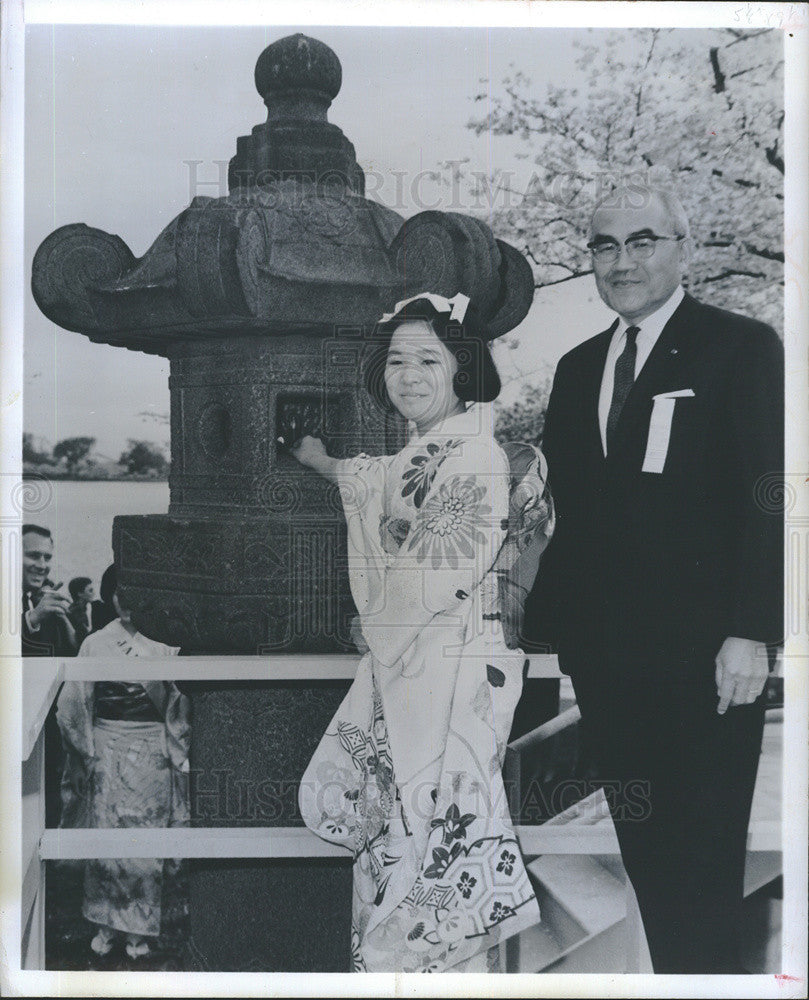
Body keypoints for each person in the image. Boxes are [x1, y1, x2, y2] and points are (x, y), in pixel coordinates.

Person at [524, 183, 784, 973]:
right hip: (608, 665)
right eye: (604, 246)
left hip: (709, 663)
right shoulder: (575, 370)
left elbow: (770, 497)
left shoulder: (740, 347)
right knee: (650, 869)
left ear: (683, 248)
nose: (622, 261)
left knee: (701, 876)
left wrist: (752, 631)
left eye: (642, 241)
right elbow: (572, 518)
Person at [292, 293, 554, 972]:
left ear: (461, 367)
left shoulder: (475, 457)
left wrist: (375, 623)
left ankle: (416, 971)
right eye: (397, 360)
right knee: (401, 829)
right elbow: (375, 481)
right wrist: (322, 462)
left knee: (430, 827)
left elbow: (437, 570)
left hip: (450, 661)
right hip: (414, 658)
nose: (407, 375)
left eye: (427, 360)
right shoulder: (431, 448)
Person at [56, 565, 190, 962]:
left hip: (152, 751)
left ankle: (139, 930)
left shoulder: (165, 643)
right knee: (107, 840)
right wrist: (83, 753)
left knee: (145, 844)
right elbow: (75, 701)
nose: (127, 600)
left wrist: (175, 747)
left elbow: (178, 703)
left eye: (136, 592)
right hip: (107, 748)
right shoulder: (97, 643)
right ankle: (104, 925)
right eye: (119, 592)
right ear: (110, 595)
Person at [22, 524, 78, 657]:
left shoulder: (42, 604)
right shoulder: (38, 610)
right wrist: (32, 619)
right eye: (34, 556)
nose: (42, 566)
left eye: (47, 558)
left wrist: (63, 620)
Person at [68, 576, 95, 645]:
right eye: (90, 590)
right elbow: (84, 637)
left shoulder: (79, 609)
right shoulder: (76, 612)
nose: (94, 593)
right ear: (80, 593)